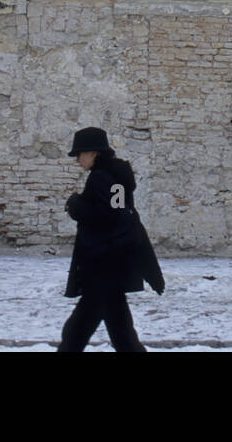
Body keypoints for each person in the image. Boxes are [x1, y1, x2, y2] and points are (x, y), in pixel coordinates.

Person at [59, 126, 164, 352]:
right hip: (111, 267)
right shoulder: (114, 176)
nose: (77, 159)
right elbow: (118, 213)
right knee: (121, 334)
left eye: (80, 154)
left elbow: (111, 217)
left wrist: (76, 206)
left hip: (103, 268)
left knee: (76, 333)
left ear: (94, 153)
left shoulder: (102, 177)